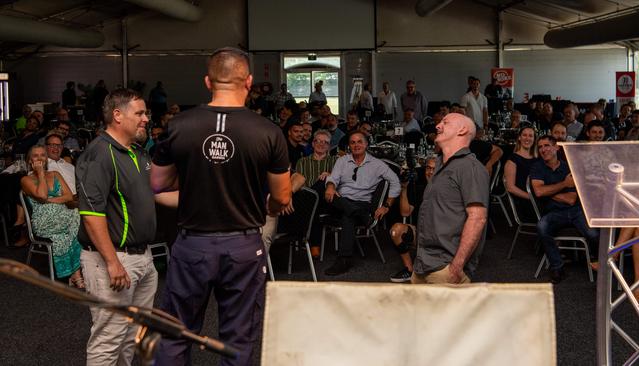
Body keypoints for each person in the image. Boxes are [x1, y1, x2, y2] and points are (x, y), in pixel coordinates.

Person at [150, 47, 291, 366]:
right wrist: (265, 203)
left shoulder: (179, 125)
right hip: (243, 245)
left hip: (192, 244)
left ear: (207, 81)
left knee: (176, 332)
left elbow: (157, 184)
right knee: (238, 336)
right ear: (250, 82)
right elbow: (282, 198)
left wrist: (198, 180)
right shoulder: (268, 131)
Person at [76, 88, 158, 365]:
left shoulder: (136, 152)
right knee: (108, 340)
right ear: (117, 115)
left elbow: (156, 193)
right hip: (113, 260)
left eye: (145, 112)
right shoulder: (99, 154)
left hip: (142, 258)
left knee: (131, 336)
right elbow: (91, 214)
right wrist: (112, 263)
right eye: (140, 113)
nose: (146, 118)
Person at [411, 113, 490, 284]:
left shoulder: (470, 167)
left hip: (446, 267)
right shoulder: (438, 165)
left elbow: (477, 218)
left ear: (462, 130)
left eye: (445, 123)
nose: (438, 126)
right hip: (423, 264)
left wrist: (457, 266)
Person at [324, 131, 400, 275]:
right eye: (352, 142)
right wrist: (330, 186)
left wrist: (387, 206)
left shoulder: (377, 164)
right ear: (349, 146)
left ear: (366, 144)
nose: (356, 145)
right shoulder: (342, 161)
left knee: (348, 216)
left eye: (359, 142)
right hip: (341, 200)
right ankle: (358, 214)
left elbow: (395, 181)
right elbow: (333, 178)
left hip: (362, 203)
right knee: (329, 193)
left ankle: (344, 260)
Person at [530, 135, 599, 283]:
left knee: (593, 234)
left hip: (576, 210)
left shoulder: (569, 166)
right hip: (553, 213)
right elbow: (539, 192)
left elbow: (571, 199)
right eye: (540, 147)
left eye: (547, 145)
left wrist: (549, 192)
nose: (543, 149)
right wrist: (563, 184)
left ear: (556, 148)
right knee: (542, 227)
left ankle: (596, 258)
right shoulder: (537, 167)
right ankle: (557, 266)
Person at [20, 145, 83, 287]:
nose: (40, 158)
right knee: (74, 220)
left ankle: (75, 274)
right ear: (30, 160)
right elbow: (41, 195)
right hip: (44, 222)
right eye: (35, 156)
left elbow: (68, 197)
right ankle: (76, 274)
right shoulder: (25, 180)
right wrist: (41, 173)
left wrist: (48, 200)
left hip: (64, 216)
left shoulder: (55, 174)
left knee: (77, 218)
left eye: (42, 155)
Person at [389, 157, 436, 283]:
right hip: (420, 232)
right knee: (396, 231)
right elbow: (405, 212)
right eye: (428, 168)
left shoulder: (447, 189)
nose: (430, 172)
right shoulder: (419, 188)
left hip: (440, 235)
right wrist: (404, 189)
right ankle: (409, 269)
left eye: (434, 169)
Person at [503, 127, 537, 221]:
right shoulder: (513, 160)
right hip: (524, 202)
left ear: (534, 140)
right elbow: (510, 187)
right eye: (524, 135)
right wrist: (532, 198)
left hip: (536, 198)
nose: (527, 138)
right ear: (519, 138)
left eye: (531, 136)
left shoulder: (537, 160)